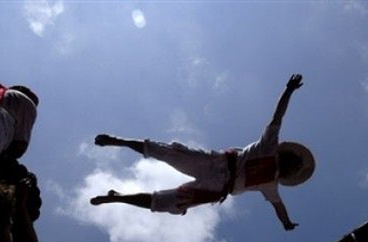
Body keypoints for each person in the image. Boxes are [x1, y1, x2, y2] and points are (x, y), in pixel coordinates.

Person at [90, 74, 315, 230]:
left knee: (168, 203)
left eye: (297, 169)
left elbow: (279, 207)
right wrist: (289, 90)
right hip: (217, 163)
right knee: (169, 153)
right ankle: (118, 141)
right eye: (296, 164)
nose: (294, 168)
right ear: (288, 156)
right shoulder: (269, 146)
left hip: (217, 189)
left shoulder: (271, 185)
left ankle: (117, 198)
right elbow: (278, 117)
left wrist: (286, 223)